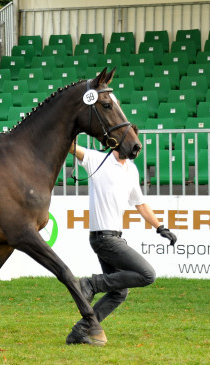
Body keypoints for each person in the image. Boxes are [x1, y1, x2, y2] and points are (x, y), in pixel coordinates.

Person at [66, 138, 177, 344]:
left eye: (137, 141)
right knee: (147, 274)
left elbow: (140, 204)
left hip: (114, 237)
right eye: (131, 141)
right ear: (116, 143)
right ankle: (90, 284)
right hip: (103, 238)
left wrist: (160, 227)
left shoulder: (131, 170)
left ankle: (80, 331)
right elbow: (71, 146)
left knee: (118, 293)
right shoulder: (96, 159)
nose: (136, 145)